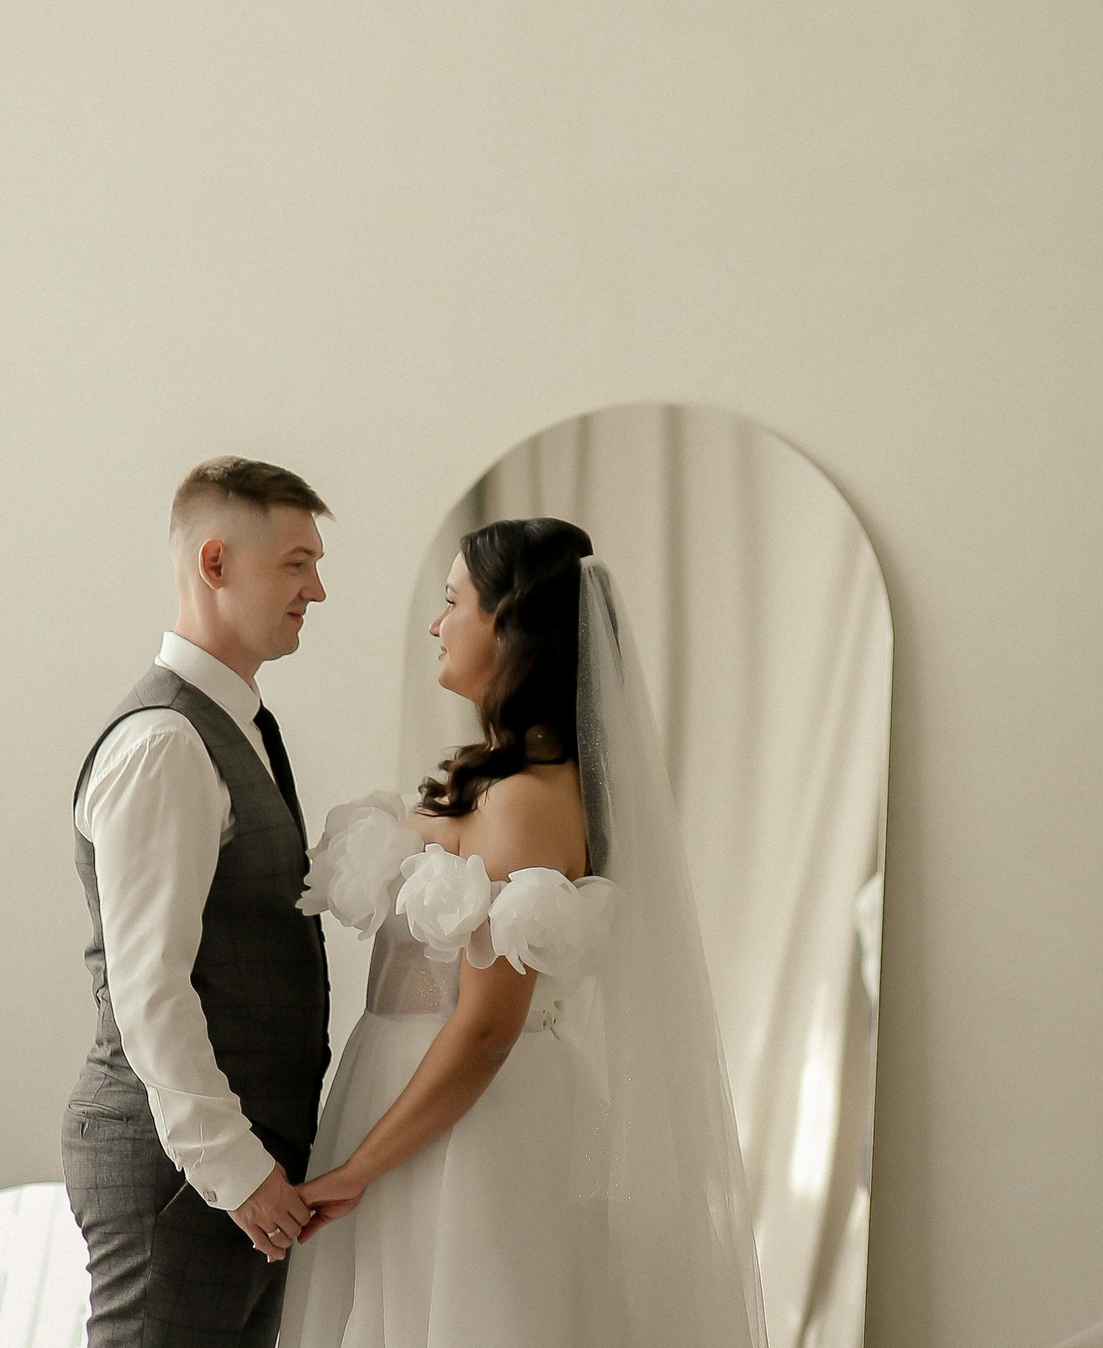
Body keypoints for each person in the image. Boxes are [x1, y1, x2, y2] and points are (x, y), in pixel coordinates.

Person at [280, 519, 768, 1348]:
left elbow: (486, 1028)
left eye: (452, 602)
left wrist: (362, 1167)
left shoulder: (526, 803)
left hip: (466, 1126)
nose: (436, 624)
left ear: (510, 627)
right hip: (410, 1096)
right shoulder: (497, 782)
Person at [63, 457, 332, 1348]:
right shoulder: (166, 743)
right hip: (183, 1175)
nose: (316, 590)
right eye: (296, 564)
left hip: (225, 1165)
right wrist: (234, 1168)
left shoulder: (231, 727)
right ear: (215, 563)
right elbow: (150, 987)